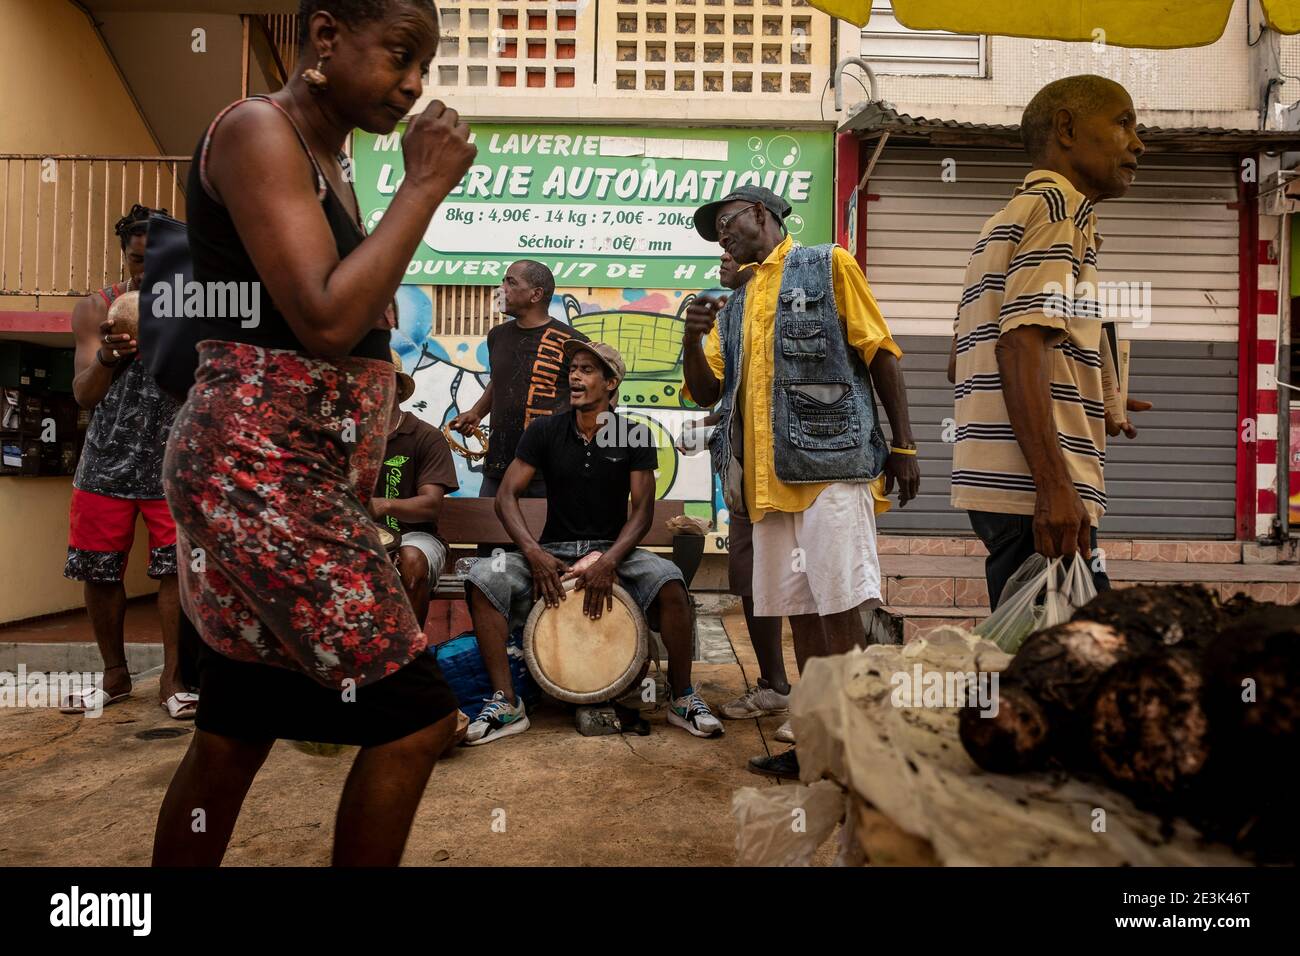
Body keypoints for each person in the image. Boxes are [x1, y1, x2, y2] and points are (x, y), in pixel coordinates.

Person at [152, 0, 475, 867]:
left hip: (280, 473)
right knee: (420, 722)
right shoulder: (260, 131)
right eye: (401, 57)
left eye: (426, 69)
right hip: (261, 473)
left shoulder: (325, 157)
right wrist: (424, 187)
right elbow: (330, 319)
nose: (413, 86)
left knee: (233, 729)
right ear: (326, 38)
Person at [682, 186, 920, 780]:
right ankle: (819, 745)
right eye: (714, 232)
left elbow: (880, 354)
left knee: (841, 610)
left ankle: (862, 749)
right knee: (804, 613)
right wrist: (692, 333)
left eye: (728, 222)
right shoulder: (733, 306)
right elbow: (708, 393)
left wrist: (905, 445)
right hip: (766, 486)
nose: (722, 236)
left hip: (832, 473)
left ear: (762, 214)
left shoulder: (828, 264)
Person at [951, 75, 1151, 611]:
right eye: (1123, 123)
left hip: (1003, 490)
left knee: (1033, 659)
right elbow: (1018, 348)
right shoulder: (1060, 212)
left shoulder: (1003, 222)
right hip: (1037, 492)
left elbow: (964, 358)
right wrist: (1054, 488)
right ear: (1066, 128)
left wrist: (1088, 389)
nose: (1138, 143)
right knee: (1068, 672)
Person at [463, 340, 723, 745]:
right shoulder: (545, 430)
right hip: (554, 549)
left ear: (611, 382)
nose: (575, 376)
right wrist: (533, 552)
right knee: (482, 578)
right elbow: (505, 496)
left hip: (615, 546)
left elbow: (641, 512)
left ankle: (682, 697)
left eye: (586, 370)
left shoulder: (633, 434)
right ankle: (507, 703)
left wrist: (610, 559)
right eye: (573, 369)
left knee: (670, 582)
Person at [61, 204, 195, 720]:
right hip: (105, 463)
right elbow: (83, 395)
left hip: (171, 466)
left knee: (174, 573)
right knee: (99, 571)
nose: (145, 272)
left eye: (154, 261)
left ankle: (172, 681)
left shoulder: (193, 307)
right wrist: (108, 358)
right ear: (125, 257)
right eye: (137, 261)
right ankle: (114, 677)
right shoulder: (97, 308)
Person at [448, 259, 589, 499]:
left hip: (549, 471)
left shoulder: (572, 342)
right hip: (499, 467)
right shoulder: (497, 336)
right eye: (502, 281)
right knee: (491, 534)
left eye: (510, 282)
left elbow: (604, 392)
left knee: (547, 537)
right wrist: (476, 412)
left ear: (536, 294)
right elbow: (500, 381)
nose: (501, 289)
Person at [371, 350, 459, 627]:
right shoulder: (351, 436)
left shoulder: (425, 436)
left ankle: (410, 654)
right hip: (360, 537)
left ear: (398, 387)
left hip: (415, 537)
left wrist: (382, 505)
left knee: (410, 560)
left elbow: (430, 505)